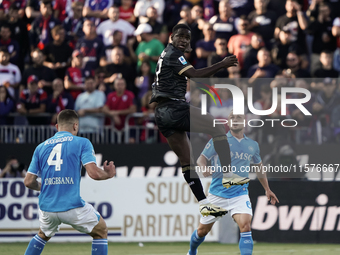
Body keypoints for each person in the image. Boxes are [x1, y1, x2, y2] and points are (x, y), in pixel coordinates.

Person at [150, 23, 248, 217]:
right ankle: (228, 175)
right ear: (172, 37)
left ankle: (204, 203)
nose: (184, 40)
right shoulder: (174, 54)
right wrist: (222, 64)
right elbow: (194, 76)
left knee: (187, 162)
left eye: (187, 37)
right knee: (218, 128)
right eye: (180, 36)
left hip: (161, 113)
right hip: (174, 107)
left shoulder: (168, 53)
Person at [23, 109, 116, 255]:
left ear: (57, 127)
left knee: (43, 234)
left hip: (47, 207)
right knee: (101, 231)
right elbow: (93, 173)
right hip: (71, 205)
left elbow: (28, 182)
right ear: (75, 126)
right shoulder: (82, 143)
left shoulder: (40, 147)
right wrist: (108, 174)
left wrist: (44, 186)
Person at [187, 111, 279, 255]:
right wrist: (203, 168)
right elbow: (201, 159)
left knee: (246, 226)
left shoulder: (253, 145)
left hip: (240, 194)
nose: (235, 120)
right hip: (217, 194)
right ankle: (192, 251)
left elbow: (259, 168)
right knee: (202, 231)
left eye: (239, 118)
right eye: (232, 118)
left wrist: (267, 189)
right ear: (228, 123)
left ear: (244, 122)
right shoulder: (218, 140)